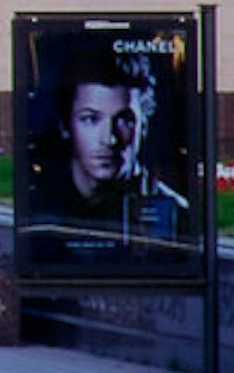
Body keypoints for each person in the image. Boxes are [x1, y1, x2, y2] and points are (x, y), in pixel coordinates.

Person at [21, 39, 194, 245]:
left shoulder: (178, 215)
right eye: (91, 119)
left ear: (144, 126)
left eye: (124, 120)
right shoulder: (36, 207)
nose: (109, 139)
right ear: (65, 125)